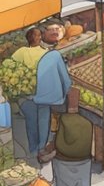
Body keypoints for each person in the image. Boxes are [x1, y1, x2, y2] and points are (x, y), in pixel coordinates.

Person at [21, 23, 72, 157]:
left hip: (27, 95)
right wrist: (64, 92)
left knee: (31, 122)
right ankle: (41, 149)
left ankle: (32, 149)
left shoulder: (21, 52)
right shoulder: (52, 55)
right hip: (44, 97)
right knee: (43, 122)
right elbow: (66, 81)